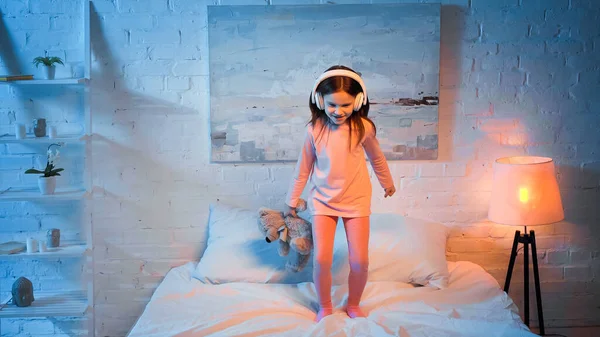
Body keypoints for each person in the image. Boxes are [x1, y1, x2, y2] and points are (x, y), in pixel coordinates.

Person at [284, 65, 396, 322]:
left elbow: (377, 159)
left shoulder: (363, 128)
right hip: (323, 202)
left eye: (346, 105)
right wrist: (292, 200)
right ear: (320, 100)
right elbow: (303, 168)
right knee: (322, 260)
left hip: (356, 201)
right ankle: (325, 306)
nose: (338, 111)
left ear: (358, 101)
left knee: (360, 262)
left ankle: (354, 304)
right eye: (332, 104)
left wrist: (386, 183)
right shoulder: (314, 130)